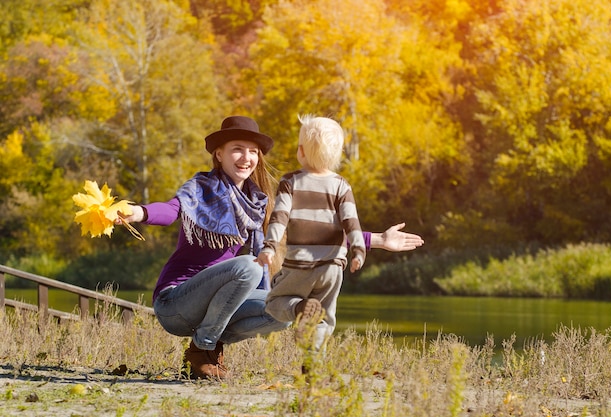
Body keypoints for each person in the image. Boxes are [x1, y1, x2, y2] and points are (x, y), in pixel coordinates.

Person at [117, 115, 425, 380]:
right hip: (176, 304)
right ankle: (203, 349)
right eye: (237, 149)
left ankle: (208, 348)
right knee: (250, 266)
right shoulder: (200, 189)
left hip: (215, 306)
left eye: (252, 151)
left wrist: (379, 241)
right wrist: (140, 212)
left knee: (285, 306)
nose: (246, 157)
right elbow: (173, 210)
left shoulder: (259, 203)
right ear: (219, 154)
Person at [256, 115, 366, 350]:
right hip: (333, 267)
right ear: (337, 156)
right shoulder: (341, 185)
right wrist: (358, 251)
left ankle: (299, 308)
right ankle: (313, 368)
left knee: (274, 303)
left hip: (300, 265)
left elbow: (279, 217)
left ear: (301, 151)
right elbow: (351, 223)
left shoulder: (290, 182)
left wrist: (269, 247)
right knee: (325, 317)